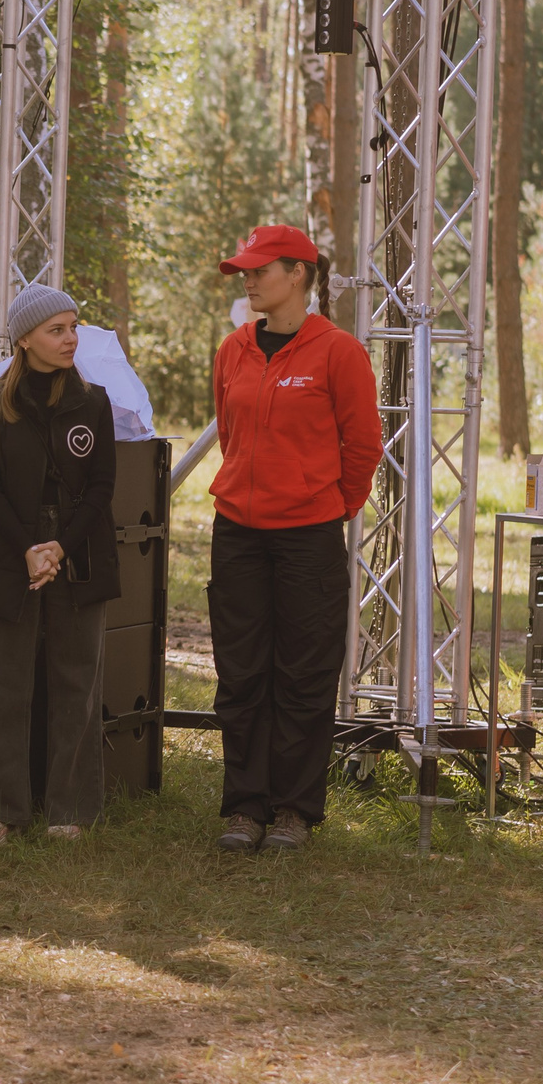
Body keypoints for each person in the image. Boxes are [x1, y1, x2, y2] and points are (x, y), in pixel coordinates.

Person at [206, 224, 382, 853]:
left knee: (303, 674)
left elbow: (363, 445)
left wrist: (329, 506)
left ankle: (294, 811)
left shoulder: (339, 352)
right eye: (245, 272)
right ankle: (245, 808)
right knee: (241, 673)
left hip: (308, 536)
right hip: (238, 534)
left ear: (298, 274)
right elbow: (231, 434)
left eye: (260, 271)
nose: (248, 281)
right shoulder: (233, 349)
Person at [0, 286, 119, 843]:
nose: (71, 338)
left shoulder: (94, 402)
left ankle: (70, 811)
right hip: (8, 553)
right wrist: (27, 547)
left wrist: (60, 547)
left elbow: (101, 487)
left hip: (78, 552)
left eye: (73, 327)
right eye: (56, 330)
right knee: (4, 682)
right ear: (24, 340)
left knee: (78, 680)